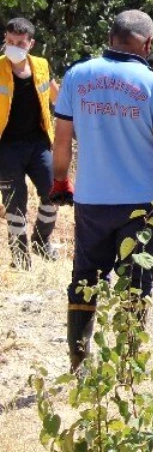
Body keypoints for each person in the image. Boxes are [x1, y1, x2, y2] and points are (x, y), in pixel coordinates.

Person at [49, 10, 153, 371]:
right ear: (148, 44)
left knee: (85, 279)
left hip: (92, 200)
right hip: (142, 203)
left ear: (111, 38)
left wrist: (61, 182)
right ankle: (128, 369)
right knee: (136, 284)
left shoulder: (77, 75)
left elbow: (61, 139)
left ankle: (79, 365)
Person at [0, 18, 62, 268]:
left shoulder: (41, 65)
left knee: (53, 194)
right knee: (15, 202)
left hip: (38, 143)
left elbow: (57, 96)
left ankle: (41, 240)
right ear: (5, 38)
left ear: (31, 44)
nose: (14, 46)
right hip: (6, 146)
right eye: (10, 41)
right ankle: (20, 255)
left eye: (20, 43)